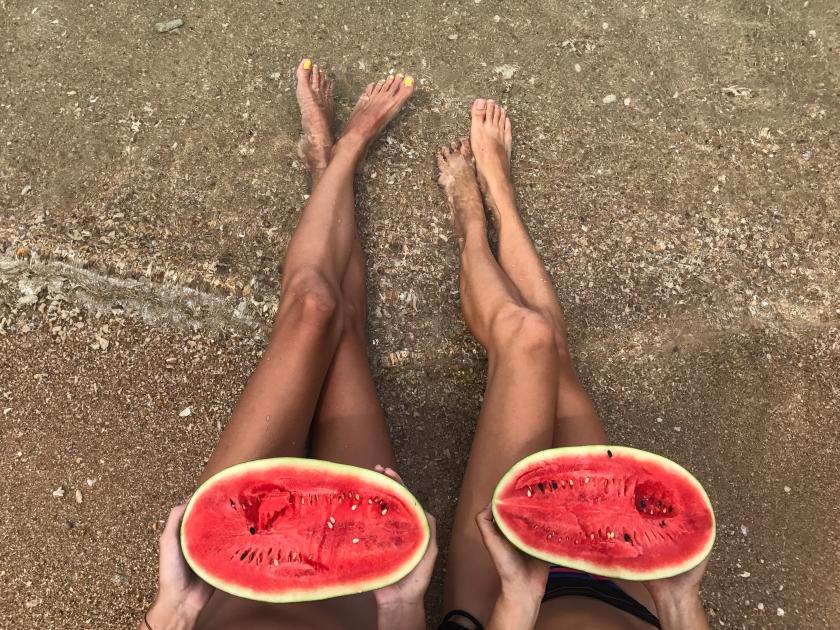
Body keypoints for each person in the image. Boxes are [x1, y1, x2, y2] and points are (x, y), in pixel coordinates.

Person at [139, 60, 438, 630]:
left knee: (312, 305)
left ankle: (341, 151)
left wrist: (172, 614)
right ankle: (329, 162)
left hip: (223, 582)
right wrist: (402, 607)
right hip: (355, 601)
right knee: (344, 328)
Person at [435, 100, 711, 630]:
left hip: (504, 597)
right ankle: (502, 197)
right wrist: (679, 603)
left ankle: (471, 220)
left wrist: (516, 601)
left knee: (529, 338)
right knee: (555, 355)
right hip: (627, 595)